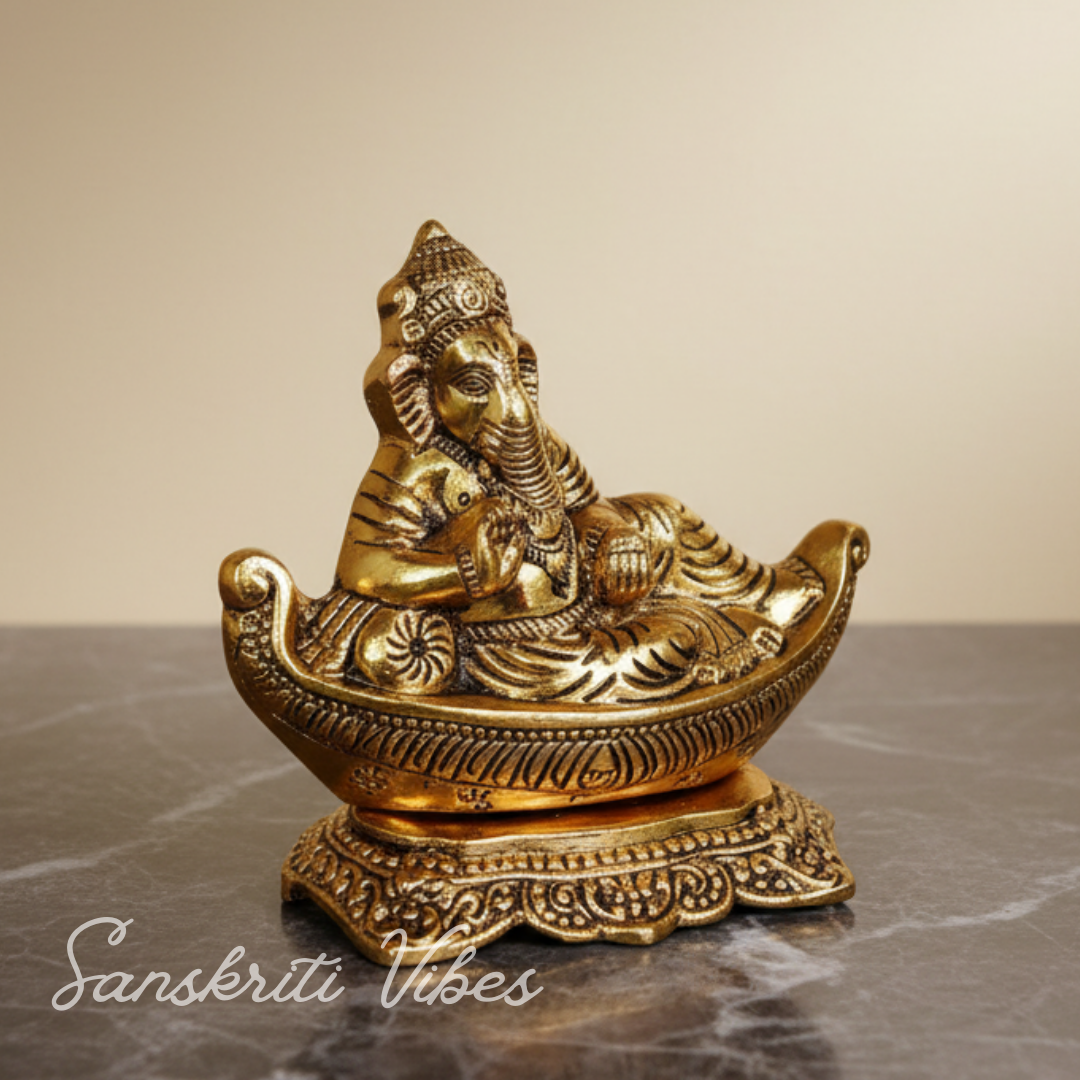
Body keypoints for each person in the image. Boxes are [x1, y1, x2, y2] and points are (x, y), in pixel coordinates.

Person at [297, 222, 822, 704]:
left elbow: (585, 507)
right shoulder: (411, 469)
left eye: (511, 373)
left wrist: (615, 539)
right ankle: (709, 636)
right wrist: (466, 575)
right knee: (664, 645)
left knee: (663, 514)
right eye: (474, 386)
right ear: (415, 390)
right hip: (513, 642)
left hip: (580, 591)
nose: (512, 407)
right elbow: (365, 568)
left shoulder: (529, 434)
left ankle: (767, 593)